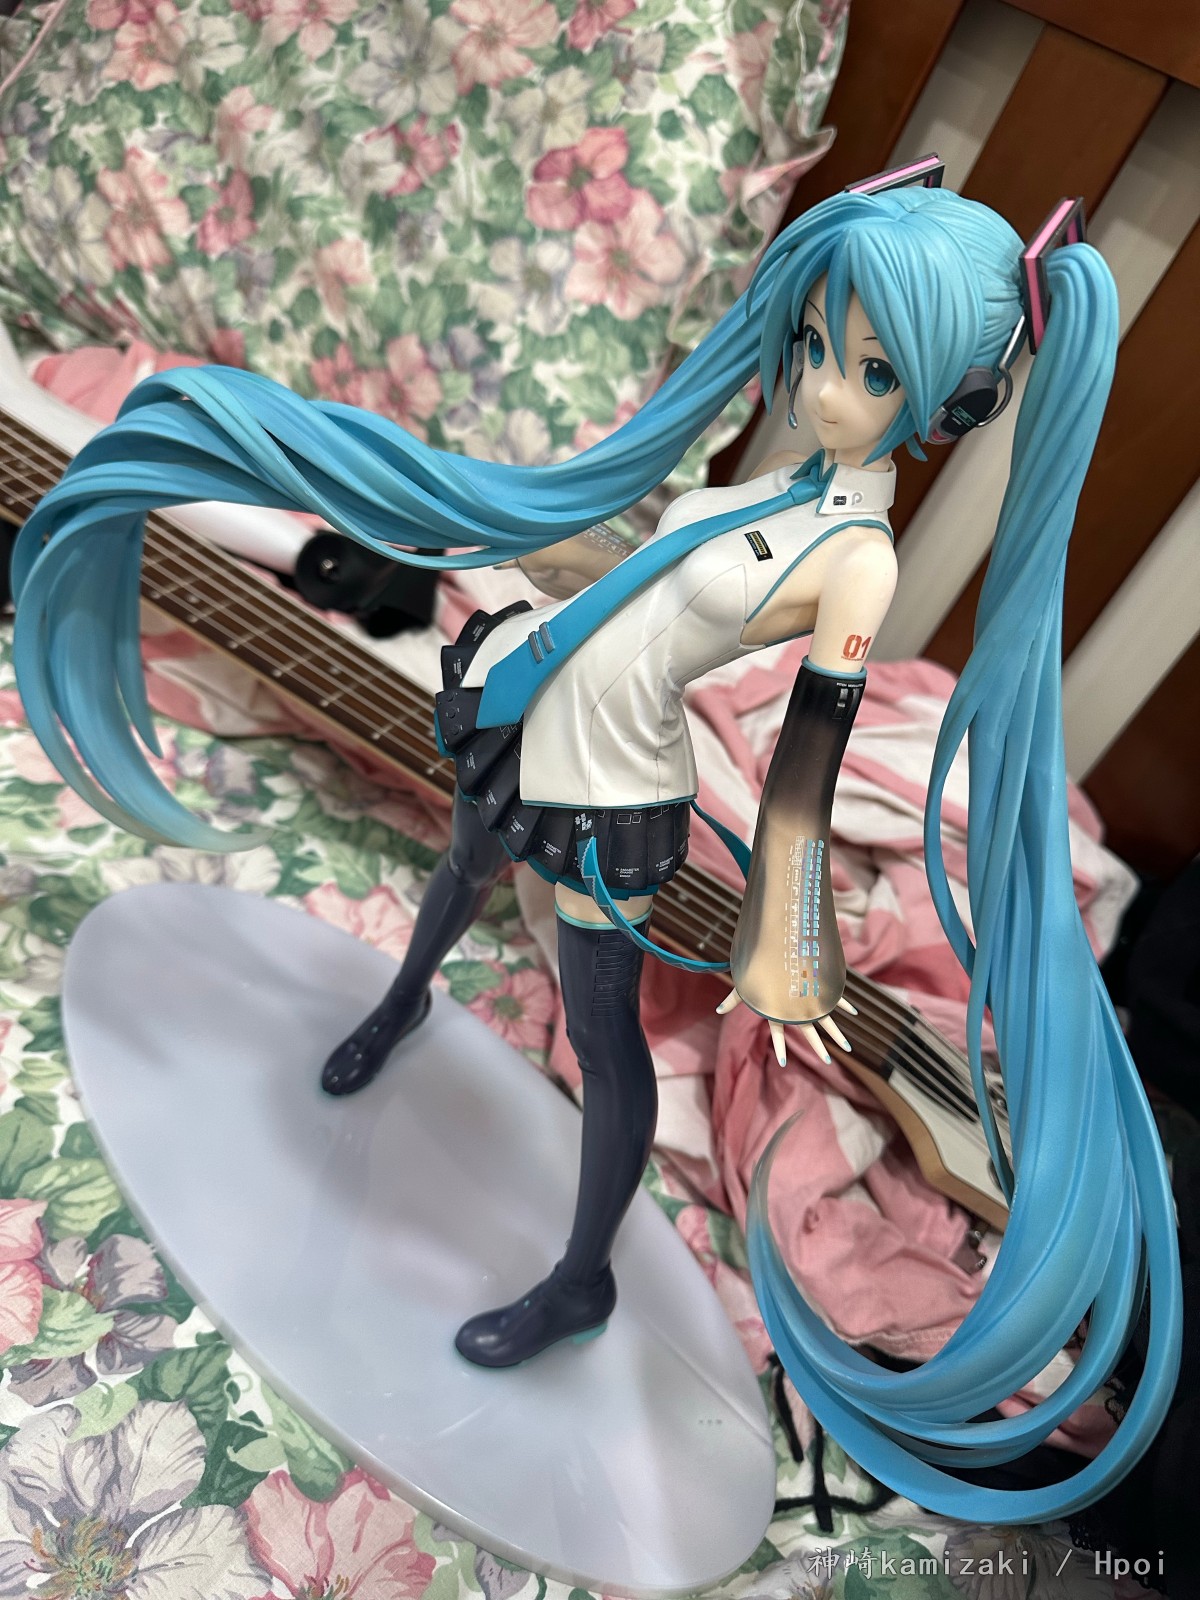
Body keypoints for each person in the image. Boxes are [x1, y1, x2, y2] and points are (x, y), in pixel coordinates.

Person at [10, 169, 1182, 1519]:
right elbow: (634, 595)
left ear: (949, 407)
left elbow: (807, 764)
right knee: (459, 873)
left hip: (618, 788)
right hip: (538, 703)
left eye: (870, 370)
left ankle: (580, 1279)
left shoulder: (858, 561)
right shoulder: (778, 483)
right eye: (814, 341)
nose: (819, 384)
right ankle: (398, 1006)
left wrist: (789, 938)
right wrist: (499, 595)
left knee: (603, 1030)